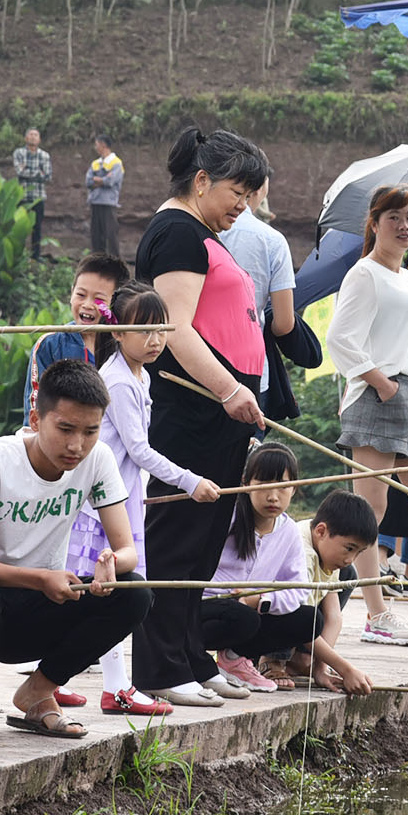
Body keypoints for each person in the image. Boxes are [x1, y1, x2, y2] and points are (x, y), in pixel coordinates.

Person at [0, 360, 149, 741]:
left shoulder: (98, 460)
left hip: (37, 611)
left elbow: (127, 550)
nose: (77, 445)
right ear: (35, 417)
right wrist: (39, 578)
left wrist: (110, 564)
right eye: (65, 429)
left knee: (135, 593)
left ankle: (38, 691)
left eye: (91, 431)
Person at [131, 127, 269, 706]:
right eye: (238, 191)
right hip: (195, 408)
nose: (244, 205)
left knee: (204, 538)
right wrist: (228, 388)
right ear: (203, 180)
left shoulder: (199, 232)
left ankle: (189, 655)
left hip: (219, 411)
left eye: (252, 193)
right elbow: (175, 328)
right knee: (179, 536)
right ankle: (158, 665)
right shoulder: (178, 234)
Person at [327, 186, 408, 646]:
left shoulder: (406, 278)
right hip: (381, 394)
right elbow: (340, 338)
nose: (405, 225)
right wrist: (381, 382)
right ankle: (376, 613)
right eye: (395, 217)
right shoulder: (365, 273)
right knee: (369, 512)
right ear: (375, 222)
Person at [81, 283, 216, 716]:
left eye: (160, 329)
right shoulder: (118, 381)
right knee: (110, 591)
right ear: (117, 333)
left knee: (109, 590)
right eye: (144, 329)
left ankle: (97, 683)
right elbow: (139, 450)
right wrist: (190, 481)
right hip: (102, 504)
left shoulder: (143, 375)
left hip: (122, 499)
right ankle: (109, 686)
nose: (156, 339)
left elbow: (133, 456)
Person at [202, 444, 314, 693]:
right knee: (243, 617)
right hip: (208, 609)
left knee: (311, 619)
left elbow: (298, 590)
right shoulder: (226, 517)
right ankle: (194, 656)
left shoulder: (289, 532)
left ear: (294, 488)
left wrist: (262, 600)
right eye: (263, 484)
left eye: (283, 486)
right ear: (246, 482)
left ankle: (234, 658)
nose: (273, 496)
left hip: (250, 613)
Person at [264, 490, 377, 694]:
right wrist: (346, 670)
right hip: (267, 618)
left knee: (348, 574)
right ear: (321, 531)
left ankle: (302, 657)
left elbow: (334, 615)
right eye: (349, 549)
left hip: (299, 620)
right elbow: (297, 619)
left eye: (358, 552)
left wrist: (320, 668)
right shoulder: (302, 555)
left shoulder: (325, 546)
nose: (351, 558)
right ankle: (270, 661)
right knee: (300, 612)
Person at [218, 177, 297, 408]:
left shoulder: (197, 231)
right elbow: (284, 323)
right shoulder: (271, 240)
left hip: (198, 367)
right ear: (261, 186)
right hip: (251, 367)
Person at [23, 253, 130, 422]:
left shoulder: (127, 346)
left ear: (117, 304)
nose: (87, 304)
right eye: (80, 295)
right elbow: (36, 411)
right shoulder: (50, 345)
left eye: (99, 299)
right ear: (71, 292)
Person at [11, 128, 53, 246]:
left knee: (37, 227)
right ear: (26, 138)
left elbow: (48, 176)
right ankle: (19, 255)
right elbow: (20, 172)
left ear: (39, 139)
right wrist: (39, 172)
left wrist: (27, 170)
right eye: (31, 134)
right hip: (22, 196)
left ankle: (35, 256)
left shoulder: (45, 155)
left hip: (38, 197)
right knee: (20, 226)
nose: (33, 137)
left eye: (36, 135)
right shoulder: (18, 153)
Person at [85, 134, 124, 256]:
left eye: (96, 144)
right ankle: (97, 262)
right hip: (95, 202)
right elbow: (88, 182)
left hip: (109, 203)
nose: (95, 147)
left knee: (111, 235)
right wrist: (103, 180)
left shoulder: (116, 163)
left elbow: (111, 181)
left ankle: (115, 263)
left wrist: (98, 180)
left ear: (103, 145)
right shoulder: (95, 163)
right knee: (96, 235)